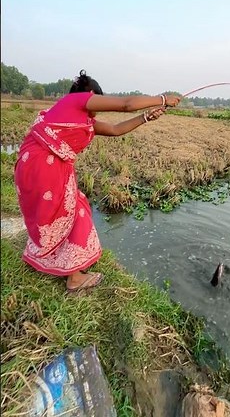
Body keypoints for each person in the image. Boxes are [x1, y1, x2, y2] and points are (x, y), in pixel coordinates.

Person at [14, 70, 180, 292]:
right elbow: (127, 103)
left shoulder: (84, 120)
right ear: (91, 94)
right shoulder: (76, 99)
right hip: (45, 166)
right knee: (71, 211)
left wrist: (147, 116)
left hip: (40, 165)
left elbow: (114, 129)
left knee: (61, 211)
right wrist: (163, 98)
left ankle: (57, 261)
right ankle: (74, 278)